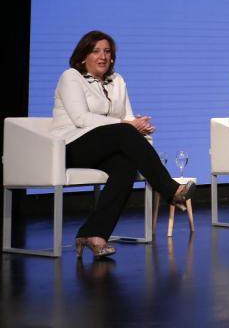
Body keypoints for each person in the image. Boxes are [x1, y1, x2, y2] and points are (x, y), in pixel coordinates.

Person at [50, 30, 196, 259]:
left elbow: (127, 118)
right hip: (70, 146)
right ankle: (169, 189)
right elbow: (81, 119)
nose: (103, 56)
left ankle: (94, 234)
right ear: (82, 56)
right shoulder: (71, 77)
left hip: (104, 146)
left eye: (107, 51)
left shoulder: (117, 81)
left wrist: (141, 131)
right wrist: (129, 126)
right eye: (96, 51)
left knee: (125, 166)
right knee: (123, 131)